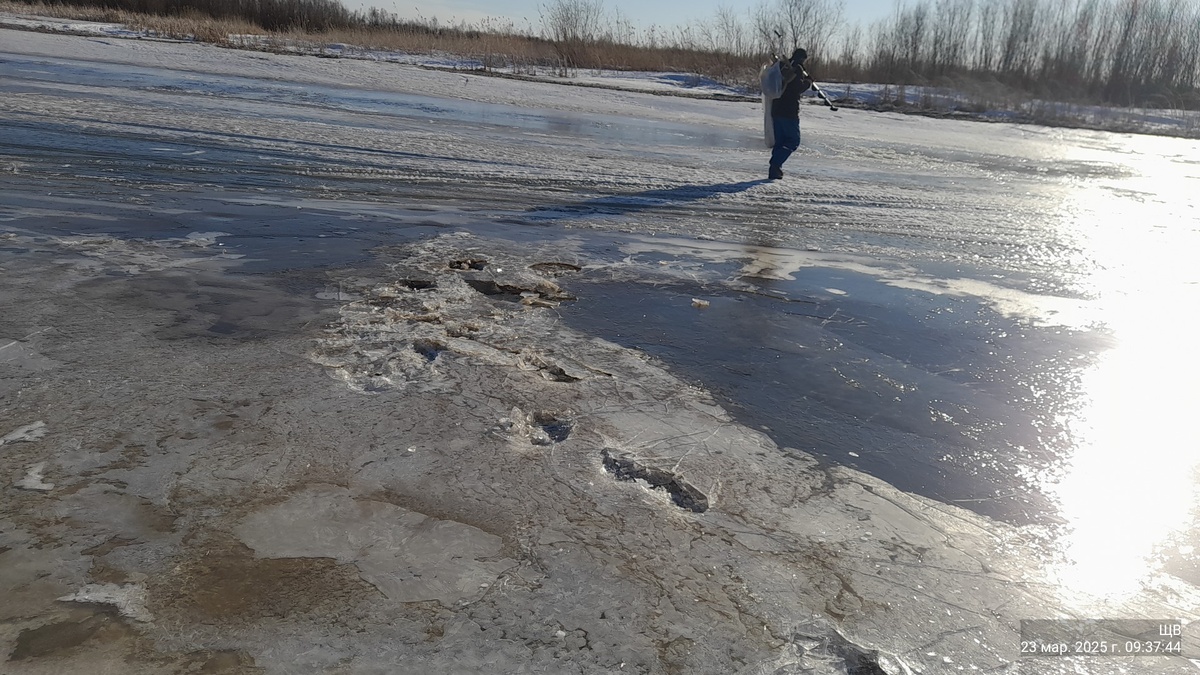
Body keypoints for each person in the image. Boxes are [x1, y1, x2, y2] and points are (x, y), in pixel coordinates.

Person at [768, 48, 814, 180]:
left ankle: (775, 169)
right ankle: (775, 164)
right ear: (802, 58)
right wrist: (808, 82)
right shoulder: (797, 69)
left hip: (776, 109)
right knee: (793, 141)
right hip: (789, 111)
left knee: (780, 141)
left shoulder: (781, 67)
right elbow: (797, 89)